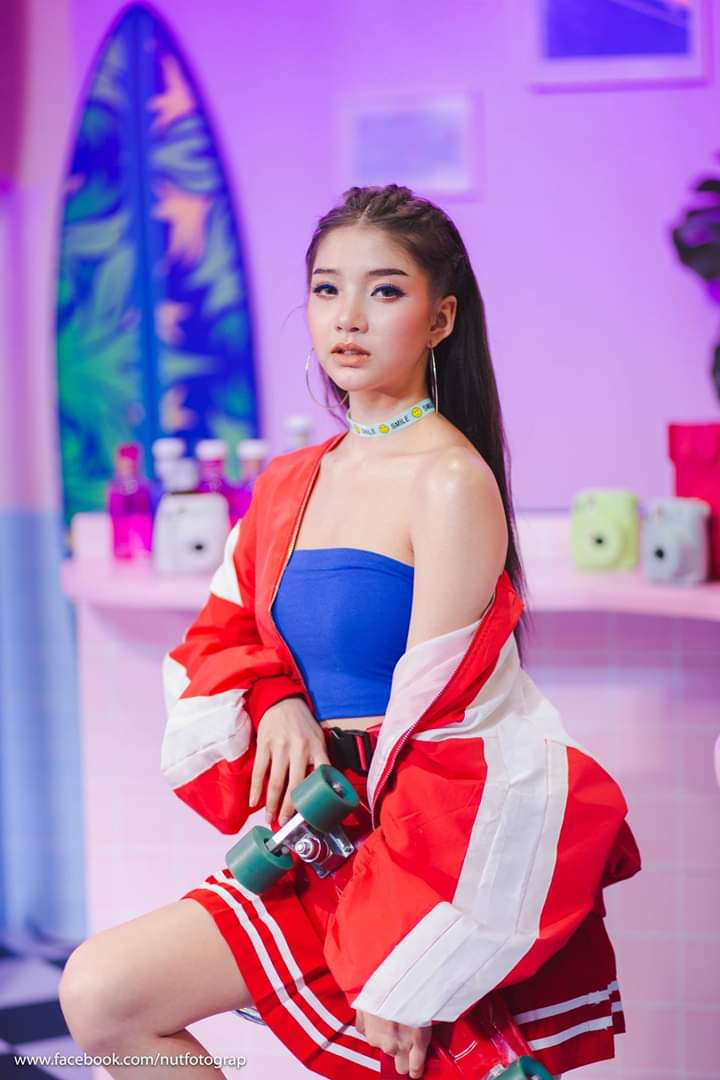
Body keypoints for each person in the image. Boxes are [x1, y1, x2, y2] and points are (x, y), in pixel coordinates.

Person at [59, 184, 641, 1080]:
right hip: (315, 833)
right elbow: (219, 632)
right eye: (327, 289)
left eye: (385, 290)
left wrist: (405, 953)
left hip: (423, 851)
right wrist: (276, 697)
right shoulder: (289, 480)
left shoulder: (449, 481)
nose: (349, 317)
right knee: (104, 996)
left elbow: (455, 728)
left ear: (441, 319)